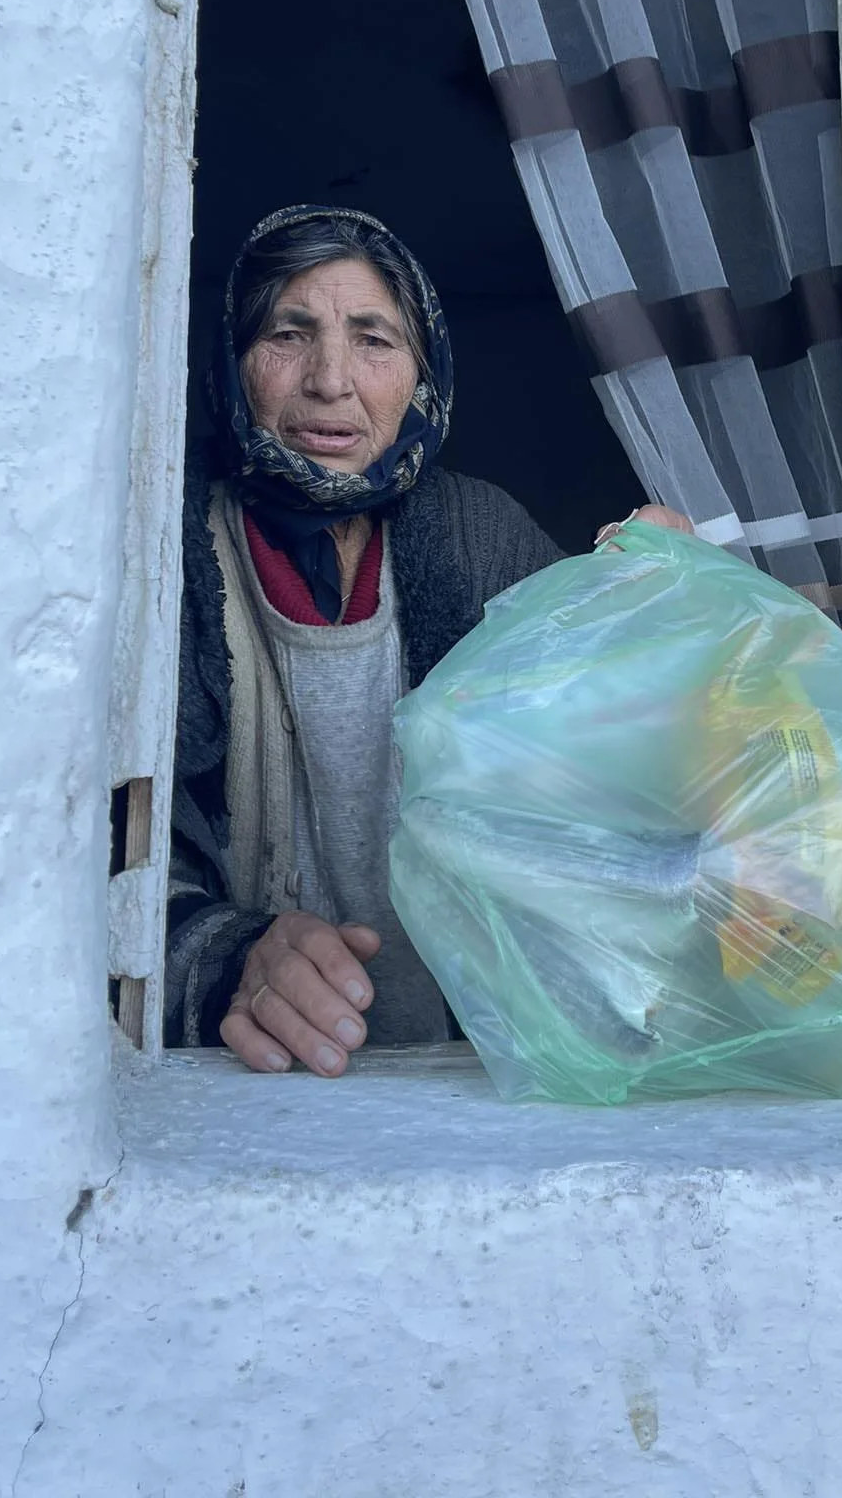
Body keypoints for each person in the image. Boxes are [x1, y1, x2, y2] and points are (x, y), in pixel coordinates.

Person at [167, 204, 691, 1071]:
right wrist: (230, 957)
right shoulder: (167, 557)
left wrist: (658, 627)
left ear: (423, 372)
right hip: (246, 1086)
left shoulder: (479, 536)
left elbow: (604, 793)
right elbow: (92, 858)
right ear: (234, 361)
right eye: (288, 334)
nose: (331, 381)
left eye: (373, 338)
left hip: (469, 1076)